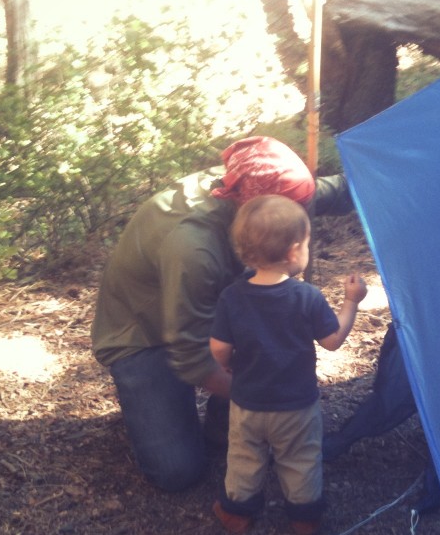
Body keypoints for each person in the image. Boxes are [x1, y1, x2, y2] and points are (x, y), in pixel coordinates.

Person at [91, 136, 353, 493]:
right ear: (254, 215)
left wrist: (397, 176)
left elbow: (332, 191)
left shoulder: (260, 188)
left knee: (264, 320)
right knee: (176, 472)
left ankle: (220, 421)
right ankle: (175, 407)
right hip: (142, 335)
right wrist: (265, 398)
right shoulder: (193, 247)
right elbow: (189, 357)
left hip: (207, 310)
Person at [209, 195, 367, 535]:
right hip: (296, 406)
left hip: (248, 404)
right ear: (295, 251)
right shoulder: (307, 297)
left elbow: (219, 350)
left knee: (244, 457)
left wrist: (226, 367)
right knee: (301, 459)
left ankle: (237, 512)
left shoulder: (232, 297)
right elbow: (332, 340)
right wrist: (351, 303)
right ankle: (304, 516)